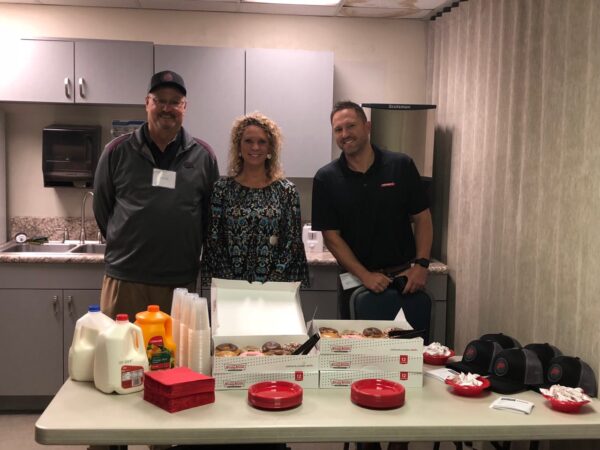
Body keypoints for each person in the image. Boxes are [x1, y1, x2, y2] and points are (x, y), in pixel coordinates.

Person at [93, 70, 219, 320]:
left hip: (178, 284)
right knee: (122, 354)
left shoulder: (203, 156)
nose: (167, 108)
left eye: (174, 102)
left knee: (173, 357)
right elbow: (102, 208)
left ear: (185, 107)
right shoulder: (117, 151)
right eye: (159, 100)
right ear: (147, 103)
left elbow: (209, 216)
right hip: (126, 278)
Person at [312, 100, 433, 338]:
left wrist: (421, 265)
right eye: (338, 129)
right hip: (356, 284)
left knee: (407, 354)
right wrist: (364, 276)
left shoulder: (401, 165)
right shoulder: (326, 178)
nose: (345, 134)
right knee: (358, 356)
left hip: (404, 281)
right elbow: (331, 237)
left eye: (351, 126)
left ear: (367, 126)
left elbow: (422, 217)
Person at [203, 112, 308, 286]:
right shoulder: (222, 189)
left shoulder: (286, 191)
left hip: (275, 287)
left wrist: (271, 281)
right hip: (230, 286)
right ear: (239, 146)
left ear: (270, 148)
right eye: (248, 141)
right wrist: (234, 283)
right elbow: (214, 240)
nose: (255, 147)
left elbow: (292, 243)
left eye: (262, 142)